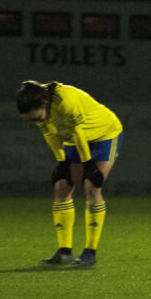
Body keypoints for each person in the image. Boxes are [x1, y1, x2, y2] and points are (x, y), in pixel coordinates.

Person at [16, 80, 123, 266]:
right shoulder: (40, 107)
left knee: (92, 186)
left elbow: (78, 132)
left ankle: (90, 252)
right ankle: (65, 251)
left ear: (43, 103)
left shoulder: (66, 100)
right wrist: (61, 162)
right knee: (62, 187)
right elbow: (50, 134)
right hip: (75, 138)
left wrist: (88, 164)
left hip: (104, 134)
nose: (35, 121)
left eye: (36, 116)